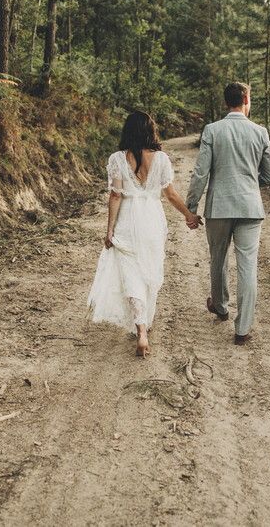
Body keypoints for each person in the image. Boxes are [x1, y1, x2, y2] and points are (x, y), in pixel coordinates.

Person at [87, 111, 202, 358]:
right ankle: (144, 323)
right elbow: (170, 194)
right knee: (149, 269)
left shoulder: (118, 159)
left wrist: (109, 230)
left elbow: (116, 195)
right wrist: (189, 215)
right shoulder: (160, 159)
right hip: (151, 218)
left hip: (128, 219)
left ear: (127, 131)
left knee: (131, 272)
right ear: (151, 131)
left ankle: (141, 329)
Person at [186, 82, 270, 346]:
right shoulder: (260, 132)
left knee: (218, 258)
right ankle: (243, 329)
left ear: (226, 101)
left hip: (219, 206)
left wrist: (191, 206)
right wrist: (249, 183)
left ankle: (221, 307)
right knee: (248, 266)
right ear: (246, 99)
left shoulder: (213, 130)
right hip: (250, 207)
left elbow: (201, 172)